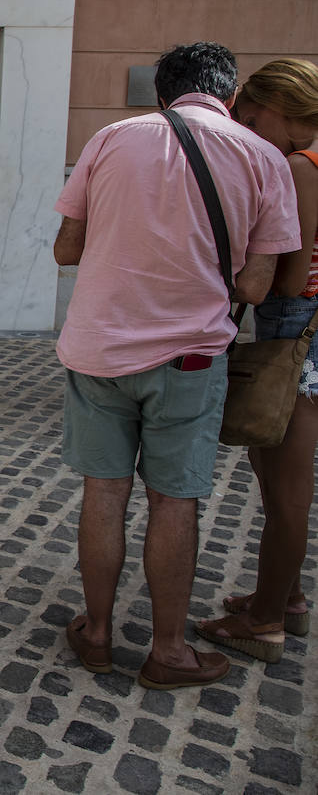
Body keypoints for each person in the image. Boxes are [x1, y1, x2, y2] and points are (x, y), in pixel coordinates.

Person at [53, 41, 300, 689]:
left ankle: (98, 635)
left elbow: (66, 247)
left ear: (161, 92)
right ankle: (168, 652)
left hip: (99, 349)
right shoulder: (264, 159)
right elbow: (253, 287)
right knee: (174, 500)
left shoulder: (110, 137)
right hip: (190, 357)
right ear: (231, 94)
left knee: (103, 492)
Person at [196, 58, 318, 663]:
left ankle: (269, 620)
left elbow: (293, 279)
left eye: (250, 116)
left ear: (277, 108)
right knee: (275, 480)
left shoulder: (298, 165)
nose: (246, 128)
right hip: (301, 333)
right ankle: (284, 595)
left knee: (285, 488)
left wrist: (247, 272)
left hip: (296, 333)